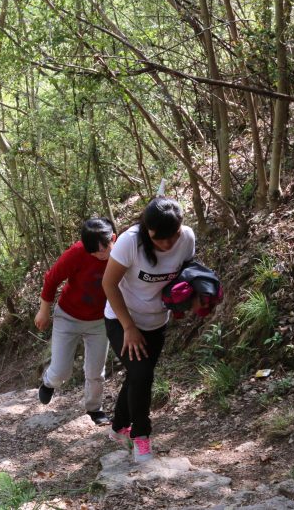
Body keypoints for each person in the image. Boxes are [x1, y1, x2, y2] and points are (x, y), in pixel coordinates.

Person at [102, 197, 195, 462]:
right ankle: (140, 436)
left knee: (138, 375)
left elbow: (186, 273)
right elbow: (109, 284)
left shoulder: (187, 238)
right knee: (142, 375)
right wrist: (128, 327)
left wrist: (193, 296)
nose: (167, 244)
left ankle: (118, 427)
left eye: (172, 236)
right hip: (122, 319)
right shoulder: (130, 242)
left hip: (157, 321)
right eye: (159, 238)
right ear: (147, 229)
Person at [36, 218, 117, 426]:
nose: (99, 255)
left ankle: (94, 408)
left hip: (99, 320)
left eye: (103, 250)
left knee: (96, 372)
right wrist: (44, 311)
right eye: (94, 253)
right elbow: (52, 279)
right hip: (68, 316)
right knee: (61, 371)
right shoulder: (77, 252)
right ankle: (48, 382)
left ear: (113, 239)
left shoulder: (122, 253)